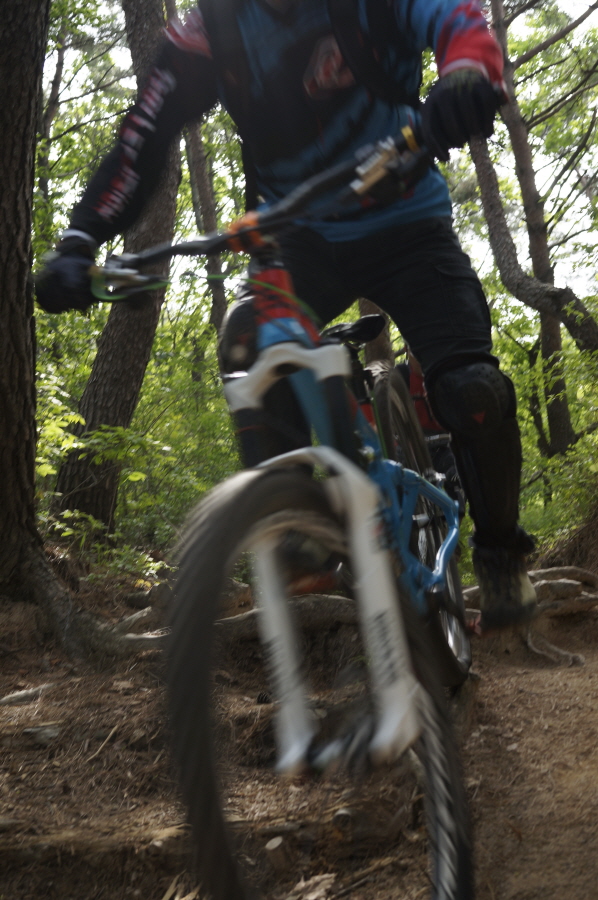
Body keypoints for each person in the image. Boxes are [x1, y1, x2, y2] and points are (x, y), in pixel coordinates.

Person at [36, 0, 537, 632]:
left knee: (473, 391)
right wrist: (81, 237)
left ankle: (500, 553)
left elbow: (456, 20)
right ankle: (302, 532)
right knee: (248, 343)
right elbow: (143, 137)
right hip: (297, 239)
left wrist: (465, 75)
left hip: (410, 225)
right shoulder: (212, 30)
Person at [396, 346, 466, 519]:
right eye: (415, 353)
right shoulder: (402, 375)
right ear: (408, 352)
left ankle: (452, 516)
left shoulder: (443, 375)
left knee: (455, 473)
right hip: (409, 446)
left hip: (443, 444)